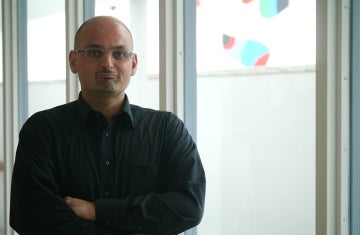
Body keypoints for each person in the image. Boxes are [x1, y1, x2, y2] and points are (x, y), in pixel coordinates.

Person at [10, 16, 206, 235]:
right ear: (73, 61)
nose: (107, 63)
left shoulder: (166, 129)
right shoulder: (42, 130)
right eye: (94, 53)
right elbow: (32, 217)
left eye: (119, 54)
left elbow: (189, 206)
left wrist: (97, 211)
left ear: (133, 64)